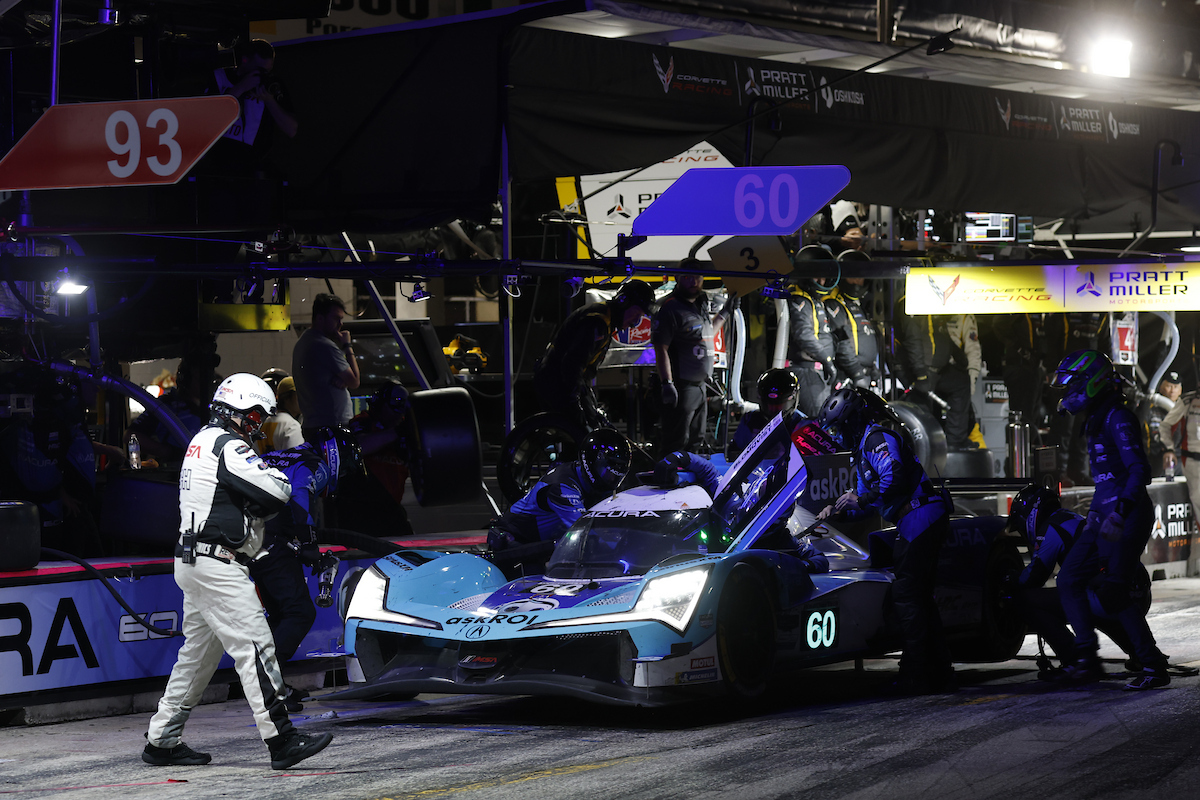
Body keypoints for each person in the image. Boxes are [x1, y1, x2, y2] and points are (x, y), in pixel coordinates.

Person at [142, 373, 332, 770]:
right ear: (240, 410)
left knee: (196, 658)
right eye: (257, 415)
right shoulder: (228, 446)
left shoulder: (200, 441)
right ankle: (282, 739)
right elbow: (278, 491)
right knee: (257, 647)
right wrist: (267, 492)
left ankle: (161, 739)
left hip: (193, 560)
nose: (259, 424)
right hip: (216, 566)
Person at [815, 386, 954, 694]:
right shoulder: (865, 448)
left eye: (839, 429)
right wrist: (836, 512)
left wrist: (859, 498)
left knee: (907, 596)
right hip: (916, 517)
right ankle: (939, 672)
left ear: (852, 422)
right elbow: (873, 502)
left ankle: (916, 675)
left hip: (921, 516)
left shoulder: (877, 439)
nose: (836, 437)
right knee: (919, 598)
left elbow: (895, 479)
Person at [1050, 350, 1170, 689]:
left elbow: (1139, 471)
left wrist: (1119, 512)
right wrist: (1095, 515)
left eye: (1073, 386)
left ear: (1092, 382)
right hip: (1104, 514)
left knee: (1113, 590)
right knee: (1069, 579)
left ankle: (1152, 666)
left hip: (1125, 515)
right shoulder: (1095, 417)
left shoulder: (1117, 417)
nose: (1068, 395)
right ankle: (1087, 658)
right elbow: (1106, 478)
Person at [254, 426, 362, 710]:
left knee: (280, 615)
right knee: (300, 612)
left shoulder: (280, 454)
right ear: (335, 454)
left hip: (250, 537)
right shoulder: (315, 463)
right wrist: (308, 540)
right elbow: (301, 490)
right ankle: (267, 690)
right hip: (272, 540)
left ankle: (271, 685)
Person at [1006, 484, 1154, 687]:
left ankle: (1076, 661)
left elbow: (1033, 577)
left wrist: (1010, 579)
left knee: (1030, 600)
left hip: (1111, 593)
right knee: (1088, 593)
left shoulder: (1051, 528)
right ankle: (1141, 654)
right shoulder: (1070, 518)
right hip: (1134, 587)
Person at [532, 279, 656, 428]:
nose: (635, 322)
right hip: (555, 380)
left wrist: (588, 404)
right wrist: (575, 402)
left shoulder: (606, 319)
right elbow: (573, 364)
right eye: (636, 314)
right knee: (580, 430)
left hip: (564, 380)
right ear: (623, 302)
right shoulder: (597, 321)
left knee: (595, 422)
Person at [653, 270, 733, 454]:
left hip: (699, 386)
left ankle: (689, 481)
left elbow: (705, 335)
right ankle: (671, 479)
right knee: (677, 440)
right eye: (687, 277)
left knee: (696, 440)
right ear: (677, 279)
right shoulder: (670, 308)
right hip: (682, 386)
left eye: (697, 277)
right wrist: (667, 383)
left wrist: (726, 312)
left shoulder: (698, 306)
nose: (693, 281)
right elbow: (660, 348)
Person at [205, 39, 298, 177]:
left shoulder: (271, 85)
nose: (262, 75)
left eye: (267, 71)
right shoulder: (219, 77)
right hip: (216, 161)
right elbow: (205, 117)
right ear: (245, 61)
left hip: (252, 166)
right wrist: (240, 88)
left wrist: (269, 100)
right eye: (258, 70)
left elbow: (291, 130)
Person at [332, 382, 414, 537]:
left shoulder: (407, 431)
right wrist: (397, 432)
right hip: (360, 509)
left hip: (390, 507)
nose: (399, 413)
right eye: (395, 406)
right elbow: (360, 446)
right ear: (380, 405)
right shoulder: (362, 422)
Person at [894, 311, 980, 450]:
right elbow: (912, 340)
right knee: (922, 409)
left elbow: (942, 335)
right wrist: (920, 374)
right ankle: (922, 446)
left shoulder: (934, 306)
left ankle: (955, 440)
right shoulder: (912, 305)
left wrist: (959, 357)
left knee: (961, 383)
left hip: (939, 368)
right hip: (919, 369)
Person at [128, 349, 220, 463]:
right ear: (185, 379)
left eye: (210, 377)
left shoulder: (216, 407)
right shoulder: (165, 407)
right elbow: (130, 436)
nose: (208, 382)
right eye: (201, 377)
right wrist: (168, 452)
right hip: (176, 475)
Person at [786, 246, 848, 416]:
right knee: (816, 423)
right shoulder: (800, 300)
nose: (822, 281)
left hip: (817, 371)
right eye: (817, 276)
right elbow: (803, 335)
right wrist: (826, 359)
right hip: (806, 370)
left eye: (823, 277)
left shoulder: (815, 301)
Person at [292, 293, 360, 441]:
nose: (340, 324)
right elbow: (355, 381)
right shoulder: (324, 345)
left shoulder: (303, 341)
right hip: (332, 427)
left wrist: (343, 379)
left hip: (314, 425)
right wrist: (347, 346)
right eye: (336, 318)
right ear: (320, 318)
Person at [824, 251, 880, 391]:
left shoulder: (856, 304)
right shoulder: (834, 303)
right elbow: (842, 343)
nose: (857, 281)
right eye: (852, 277)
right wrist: (857, 373)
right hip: (848, 377)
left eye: (860, 277)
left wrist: (872, 368)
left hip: (865, 375)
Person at [730, 369, 806, 455]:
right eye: (769, 405)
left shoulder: (803, 426)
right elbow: (735, 452)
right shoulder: (750, 420)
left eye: (779, 406)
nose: (773, 410)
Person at [1147, 371, 1182, 478]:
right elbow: (1157, 436)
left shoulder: (1185, 409)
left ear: (1180, 391)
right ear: (1161, 388)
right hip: (1160, 458)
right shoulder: (1152, 411)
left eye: (1175, 387)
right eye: (1169, 386)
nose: (1172, 391)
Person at [258, 376, 304, 454]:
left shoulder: (264, 423)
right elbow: (296, 460)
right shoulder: (291, 426)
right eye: (298, 394)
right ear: (286, 398)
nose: (303, 399)